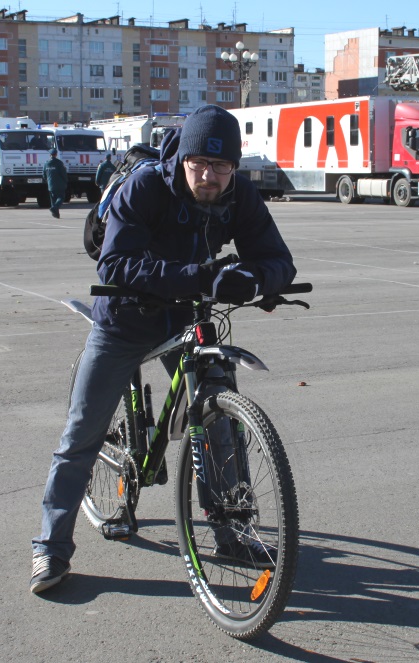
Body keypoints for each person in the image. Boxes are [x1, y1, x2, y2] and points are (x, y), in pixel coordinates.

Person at [30, 105, 297, 594]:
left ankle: (230, 530)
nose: (210, 176)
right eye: (200, 163)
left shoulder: (238, 195)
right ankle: (50, 548)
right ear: (184, 159)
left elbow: (279, 260)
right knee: (82, 434)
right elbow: (114, 265)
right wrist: (202, 276)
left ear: (234, 167)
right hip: (125, 319)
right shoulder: (147, 187)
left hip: (186, 317)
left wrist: (253, 277)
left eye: (222, 167)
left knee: (221, 422)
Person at [43, 148, 67, 219]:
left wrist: (48, 181)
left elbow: (44, 175)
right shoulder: (59, 163)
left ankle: (56, 214)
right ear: (56, 154)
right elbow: (63, 173)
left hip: (50, 184)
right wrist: (66, 181)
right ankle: (54, 208)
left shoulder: (46, 164)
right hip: (60, 184)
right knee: (61, 197)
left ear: (50, 155)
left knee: (53, 199)